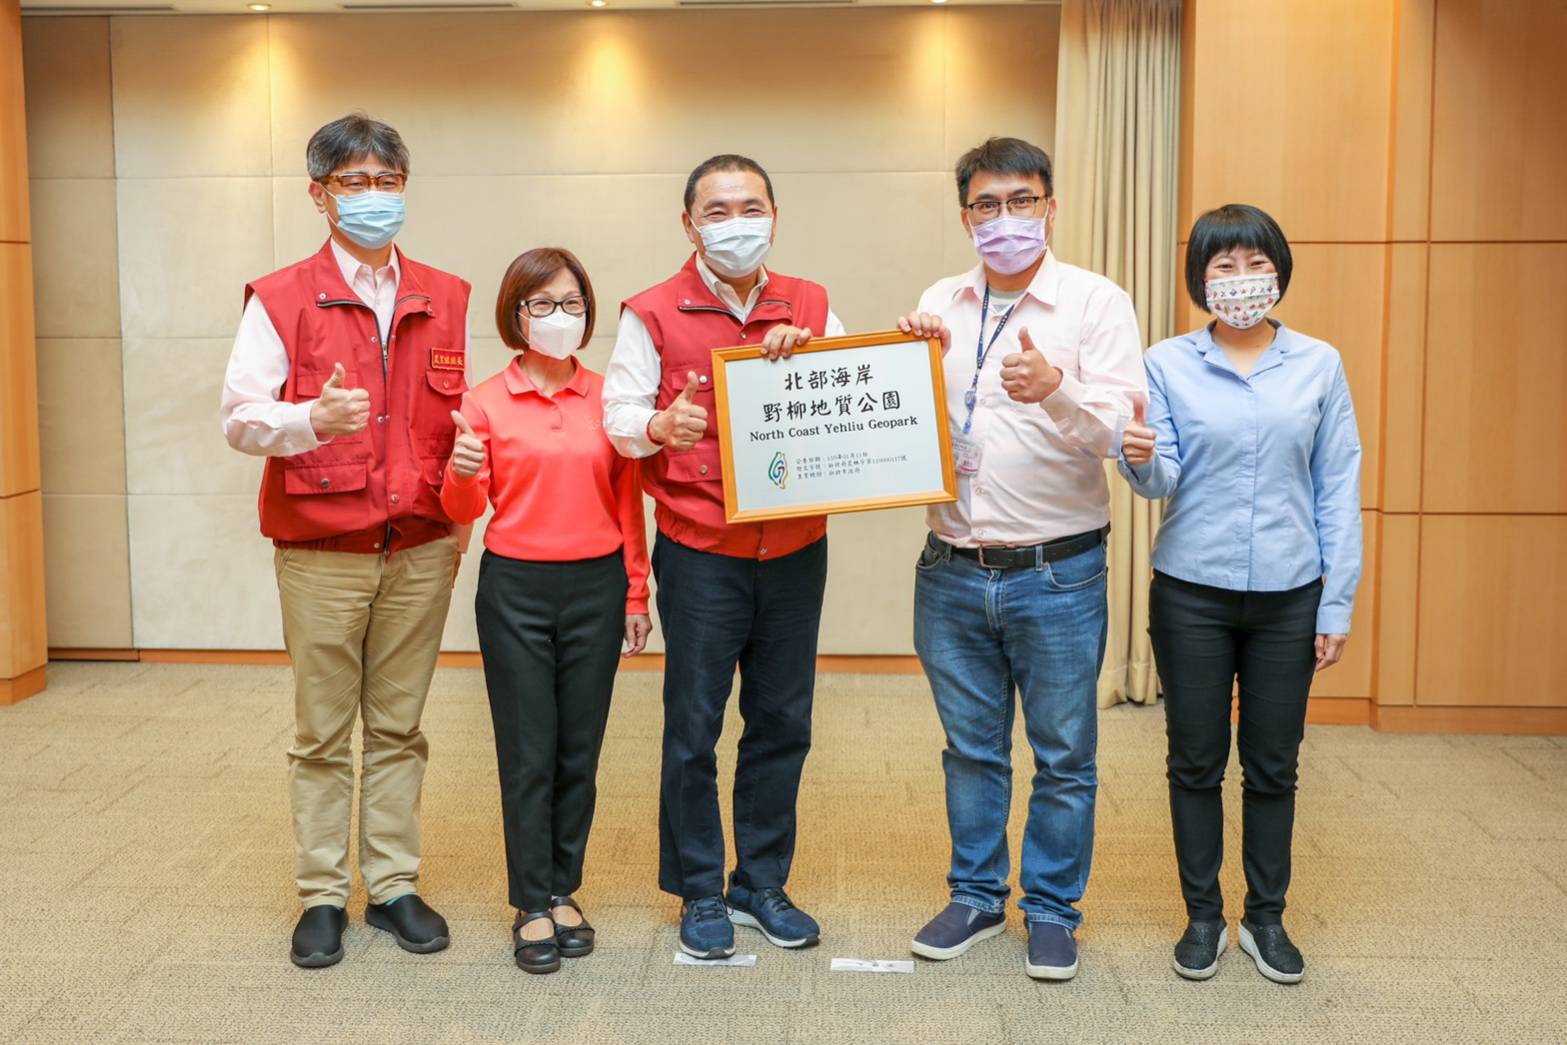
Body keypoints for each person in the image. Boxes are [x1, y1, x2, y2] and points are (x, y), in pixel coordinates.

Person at [219, 113, 470, 969]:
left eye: (388, 182)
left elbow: (458, 425)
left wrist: (460, 519)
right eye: (355, 184)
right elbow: (240, 419)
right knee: (323, 732)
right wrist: (307, 418)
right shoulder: (280, 296)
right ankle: (323, 893)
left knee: (399, 728)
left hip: (422, 546)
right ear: (319, 195)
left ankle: (393, 883)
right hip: (323, 550)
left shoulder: (449, 293)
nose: (374, 199)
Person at [895, 137, 1147, 980]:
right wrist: (907, 363)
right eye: (986, 205)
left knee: (1064, 753)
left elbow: (1124, 435)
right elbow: (904, 422)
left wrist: (1057, 392)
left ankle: (1050, 910)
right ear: (964, 215)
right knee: (970, 748)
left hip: (1058, 570)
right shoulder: (940, 299)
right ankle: (973, 893)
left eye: (1022, 200)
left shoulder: (1094, 303)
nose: (1005, 219)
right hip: (951, 566)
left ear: (1050, 205)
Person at [602, 154, 846, 960]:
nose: (735, 221)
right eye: (717, 209)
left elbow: (851, 404)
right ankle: (701, 887)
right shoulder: (651, 310)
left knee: (782, 721)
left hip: (795, 548)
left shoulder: (810, 302)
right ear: (689, 224)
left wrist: (811, 360)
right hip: (700, 547)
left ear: (774, 214)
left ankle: (762, 881)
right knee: (694, 725)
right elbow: (618, 416)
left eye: (751, 205)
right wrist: (657, 428)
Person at [1118, 203, 1362, 985]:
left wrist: (1336, 602)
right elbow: (1163, 476)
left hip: (1290, 592)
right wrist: (1136, 458)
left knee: (1272, 763)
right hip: (1190, 589)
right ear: (1199, 279)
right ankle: (1200, 915)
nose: (1240, 279)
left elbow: (1337, 486)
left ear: (1279, 271)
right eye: (1222, 266)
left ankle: (1264, 915)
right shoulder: (1166, 362)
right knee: (1193, 759)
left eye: (1255, 263)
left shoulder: (1318, 363)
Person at [441, 248, 652, 975]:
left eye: (571, 303)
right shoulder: (483, 400)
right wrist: (459, 473)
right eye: (541, 304)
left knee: (578, 752)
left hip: (596, 584)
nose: (559, 317)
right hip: (515, 590)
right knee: (529, 750)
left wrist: (635, 589)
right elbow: (464, 507)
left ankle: (565, 886)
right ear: (514, 314)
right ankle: (530, 899)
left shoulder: (608, 395)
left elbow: (627, 501)